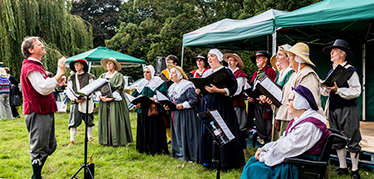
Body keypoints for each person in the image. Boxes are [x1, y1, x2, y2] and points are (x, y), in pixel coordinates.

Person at [241, 85, 330, 179]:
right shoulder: (301, 120)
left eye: (290, 100)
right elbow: (284, 141)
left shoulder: (309, 126)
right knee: (253, 161)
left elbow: (288, 148)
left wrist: (265, 156)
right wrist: (265, 149)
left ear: (300, 103)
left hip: (299, 164)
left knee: (255, 170)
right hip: (295, 158)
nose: (287, 104)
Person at [20, 36, 67, 179]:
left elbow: (42, 86)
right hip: (37, 111)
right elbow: (42, 88)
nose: (43, 46)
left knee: (49, 146)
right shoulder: (30, 67)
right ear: (30, 50)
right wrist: (60, 72)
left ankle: (35, 176)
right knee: (39, 147)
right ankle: (36, 177)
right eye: (39, 44)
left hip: (43, 109)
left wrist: (56, 83)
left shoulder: (35, 65)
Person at [196, 48, 245, 169]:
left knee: (222, 130)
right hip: (208, 103)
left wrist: (218, 90)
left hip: (221, 104)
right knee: (209, 129)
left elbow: (233, 88)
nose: (210, 59)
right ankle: (209, 160)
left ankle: (225, 161)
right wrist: (198, 90)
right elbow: (202, 87)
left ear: (218, 58)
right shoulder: (206, 73)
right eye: (208, 57)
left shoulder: (226, 71)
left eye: (212, 56)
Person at [321, 39, 361, 179]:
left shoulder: (350, 71)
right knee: (337, 138)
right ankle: (343, 167)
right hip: (333, 109)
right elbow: (327, 93)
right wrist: (323, 87)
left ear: (342, 53)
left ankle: (355, 170)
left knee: (352, 138)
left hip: (348, 109)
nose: (331, 53)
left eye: (334, 51)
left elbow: (357, 91)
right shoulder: (331, 71)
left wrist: (338, 90)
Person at [270, 42, 324, 144]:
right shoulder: (295, 74)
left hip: (299, 123)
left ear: (299, 58)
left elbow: (310, 104)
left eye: (291, 56)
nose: (289, 59)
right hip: (287, 118)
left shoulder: (308, 75)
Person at [163, 64, 199, 162]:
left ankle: (191, 156)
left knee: (187, 134)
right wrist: (167, 106)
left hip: (187, 114)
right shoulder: (172, 87)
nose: (171, 75)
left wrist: (183, 105)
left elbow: (194, 100)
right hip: (175, 114)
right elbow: (171, 100)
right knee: (177, 133)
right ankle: (179, 154)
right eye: (170, 73)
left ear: (179, 74)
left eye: (173, 73)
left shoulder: (187, 85)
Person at [132, 65, 169, 155]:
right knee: (143, 129)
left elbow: (163, 94)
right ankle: (144, 148)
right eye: (144, 72)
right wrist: (136, 103)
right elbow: (135, 95)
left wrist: (153, 98)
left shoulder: (159, 82)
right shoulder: (141, 83)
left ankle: (156, 149)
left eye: (147, 72)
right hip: (143, 110)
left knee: (155, 130)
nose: (145, 74)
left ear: (152, 72)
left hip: (154, 110)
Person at [97, 57, 133, 147]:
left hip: (116, 101)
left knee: (115, 119)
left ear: (115, 65)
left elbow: (119, 88)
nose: (108, 65)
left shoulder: (118, 76)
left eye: (110, 63)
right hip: (104, 101)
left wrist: (111, 98)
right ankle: (105, 140)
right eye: (107, 63)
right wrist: (101, 96)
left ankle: (118, 140)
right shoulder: (102, 76)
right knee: (105, 119)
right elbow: (97, 87)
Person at [248, 50, 276, 144]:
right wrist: (251, 96)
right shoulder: (256, 73)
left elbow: (272, 88)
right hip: (257, 103)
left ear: (266, 59)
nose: (257, 60)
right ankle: (263, 143)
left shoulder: (270, 71)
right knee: (260, 126)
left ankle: (268, 143)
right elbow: (252, 86)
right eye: (256, 58)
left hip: (266, 104)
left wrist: (264, 99)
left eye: (259, 58)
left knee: (267, 127)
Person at [66, 59, 96, 147]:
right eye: (75, 65)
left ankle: (90, 138)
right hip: (75, 102)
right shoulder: (71, 78)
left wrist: (85, 97)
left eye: (78, 64)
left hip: (86, 101)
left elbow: (92, 89)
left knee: (88, 120)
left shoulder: (90, 77)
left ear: (83, 66)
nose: (76, 66)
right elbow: (69, 90)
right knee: (73, 121)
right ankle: (72, 140)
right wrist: (75, 98)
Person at [223, 53, 249, 155]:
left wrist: (225, 93)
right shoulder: (227, 73)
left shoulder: (240, 74)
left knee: (238, 126)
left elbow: (238, 91)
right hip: (229, 103)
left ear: (236, 62)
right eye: (228, 60)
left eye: (232, 60)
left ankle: (242, 148)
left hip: (236, 103)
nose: (229, 62)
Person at [268, 44, 295, 141]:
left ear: (288, 57)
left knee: (283, 138)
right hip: (278, 110)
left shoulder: (291, 72)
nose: (277, 57)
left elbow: (287, 93)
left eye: (280, 54)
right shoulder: (280, 73)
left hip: (286, 112)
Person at [159, 54, 179, 144]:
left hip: (176, 98)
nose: (168, 65)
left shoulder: (179, 72)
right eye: (167, 63)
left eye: (170, 63)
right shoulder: (162, 73)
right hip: (166, 97)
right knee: (166, 119)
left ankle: (177, 136)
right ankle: (170, 138)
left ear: (175, 63)